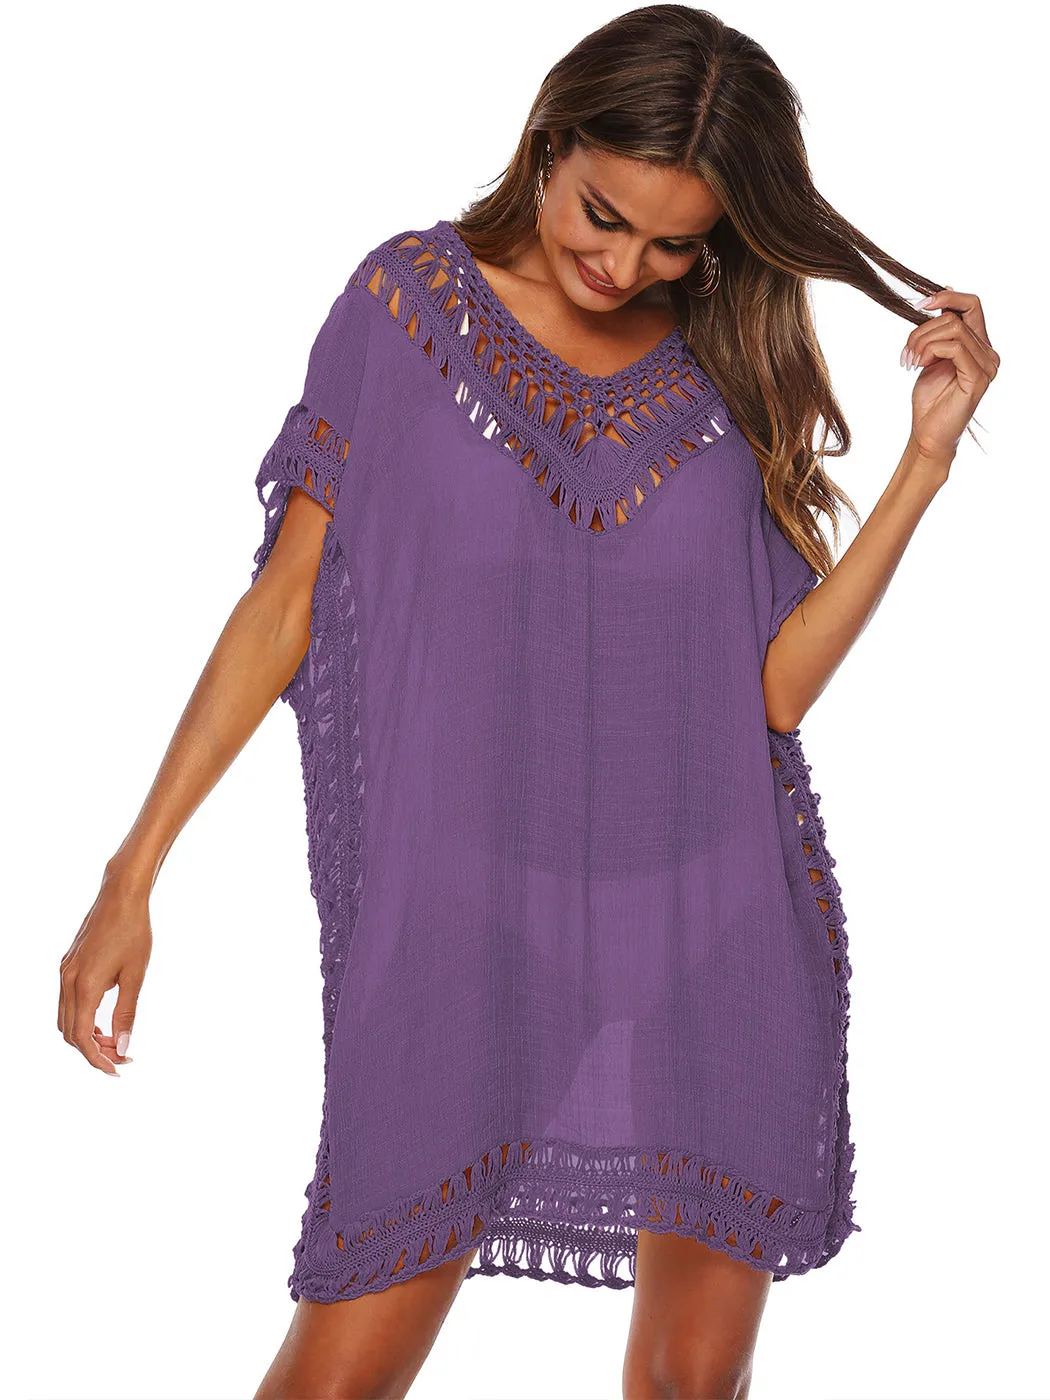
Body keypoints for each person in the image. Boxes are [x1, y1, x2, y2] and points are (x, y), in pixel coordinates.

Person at [57, 5, 997, 1398]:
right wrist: (133, 872)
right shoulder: (408, 310)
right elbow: (283, 607)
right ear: (551, 142)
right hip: (470, 933)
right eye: (603, 215)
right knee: (336, 1375)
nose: (622, 266)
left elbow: (773, 689)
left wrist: (922, 466)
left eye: (671, 244)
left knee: (686, 1390)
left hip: (709, 931)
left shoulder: (722, 362)